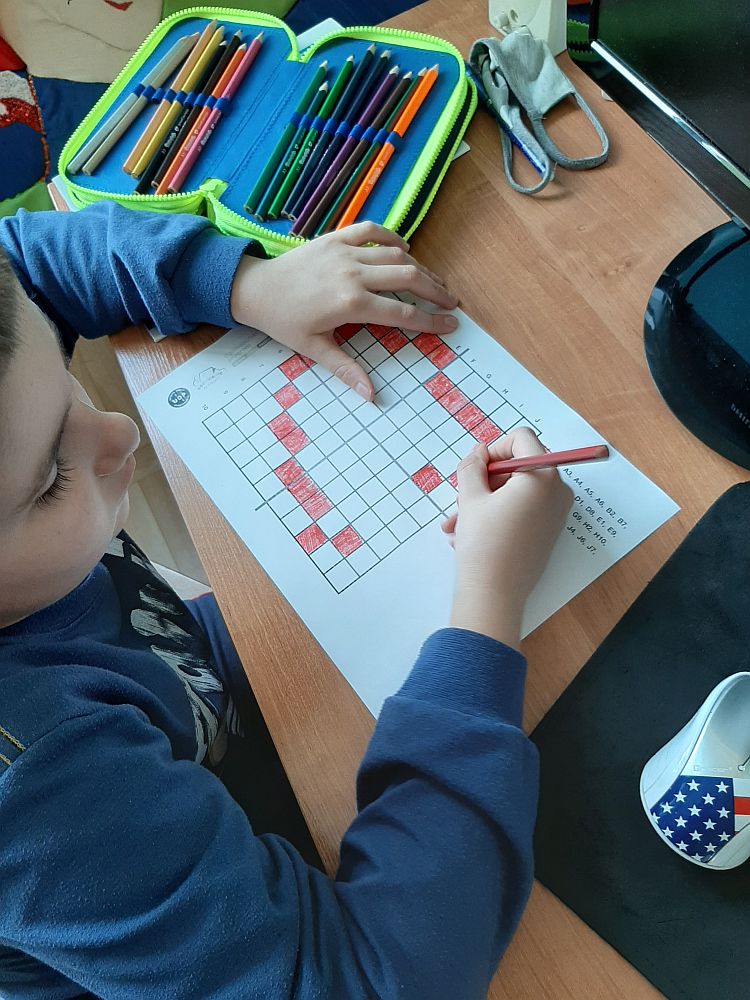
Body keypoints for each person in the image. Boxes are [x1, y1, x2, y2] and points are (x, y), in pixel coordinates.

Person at [0, 203, 571, 1000]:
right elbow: (375, 981)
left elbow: (28, 261)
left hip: (194, 720)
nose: (120, 431)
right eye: (49, 480)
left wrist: (244, 284)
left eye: (65, 383)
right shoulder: (40, 796)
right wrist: (489, 599)